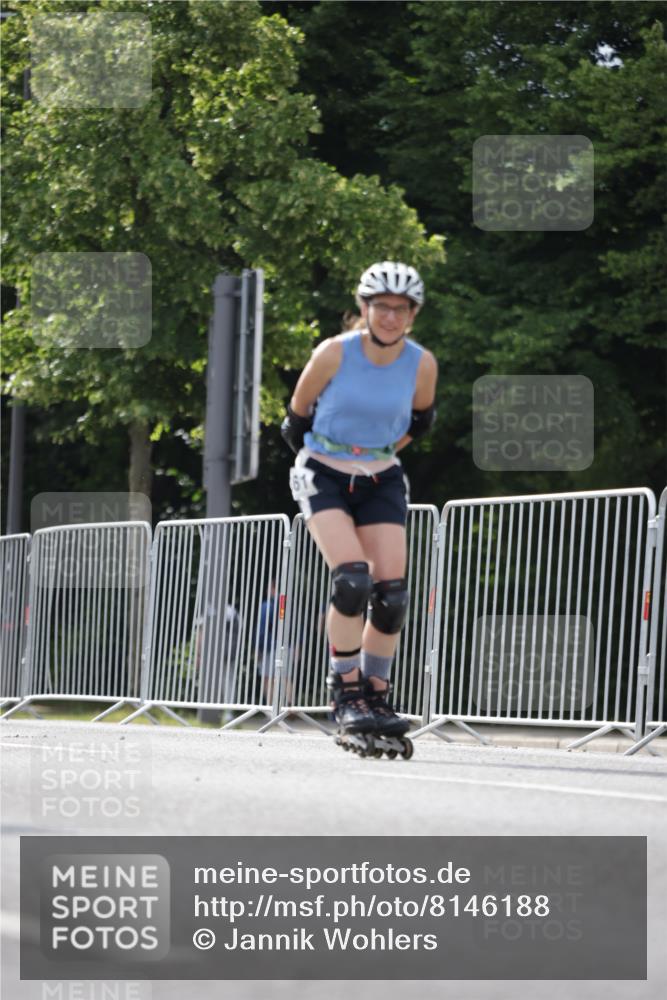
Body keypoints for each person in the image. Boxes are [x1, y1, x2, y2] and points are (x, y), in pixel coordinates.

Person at [280, 261, 438, 757]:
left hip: (381, 476)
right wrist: (331, 463)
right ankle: (346, 690)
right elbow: (295, 421)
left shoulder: (422, 364)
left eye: (401, 308)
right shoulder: (333, 353)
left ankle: (376, 693)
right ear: (364, 308)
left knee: (392, 595)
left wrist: (373, 455)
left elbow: (421, 421)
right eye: (381, 306)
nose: (391, 316)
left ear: (413, 314)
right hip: (323, 473)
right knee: (352, 580)